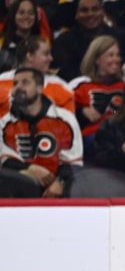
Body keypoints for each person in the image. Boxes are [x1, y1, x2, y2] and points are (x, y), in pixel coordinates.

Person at [0, 67, 82, 197]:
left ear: (39, 88)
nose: (18, 87)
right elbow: (5, 160)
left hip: (58, 189)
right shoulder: (5, 123)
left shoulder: (65, 119)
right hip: (19, 190)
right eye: (15, 83)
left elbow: (73, 163)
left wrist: (60, 182)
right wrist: (30, 169)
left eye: (25, 82)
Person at [51, 0, 125, 82]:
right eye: (84, 10)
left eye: (95, 9)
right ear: (76, 14)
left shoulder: (124, 38)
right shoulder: (63, 42)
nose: (90, 14)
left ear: (103, 12)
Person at [69, 35, 125, 156]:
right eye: (110, 55)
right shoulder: (81, 84)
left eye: (117, 55)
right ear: (96, 59)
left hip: (123, 135)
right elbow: (62, 112)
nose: (116, 59)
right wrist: (81, 112)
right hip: (93, 138)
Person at [0, 36, 74, 117]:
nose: (51, 58)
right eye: (46, 54)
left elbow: (68, 123)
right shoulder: (2, 81)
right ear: (30, 56)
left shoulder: (61, 86)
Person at [0, 0, 52, 71]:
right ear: (13, 15)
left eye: (31, 13)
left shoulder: (43, 42)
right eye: (21, 13)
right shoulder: (2, 42)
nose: (26, 16)